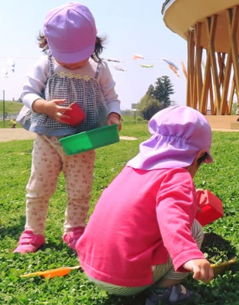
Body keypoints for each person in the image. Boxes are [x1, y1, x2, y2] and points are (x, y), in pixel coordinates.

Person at [76, 106, 214, 304]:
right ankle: (164, 292)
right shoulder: (178, 175)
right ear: (199, 155)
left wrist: (189, 203)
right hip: (125, 281)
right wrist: (188, 254)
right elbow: (171, 217)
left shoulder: (133, 167)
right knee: (195, 230)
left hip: (92, 266)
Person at [13, 2, 122, 254]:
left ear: (94, 44)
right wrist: (44, 106)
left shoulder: (99, 68)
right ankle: (33, 232)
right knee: (39, 186)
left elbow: (111, 96)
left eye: (78, 56)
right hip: (47, 139)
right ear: (49, 45)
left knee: (80, 189)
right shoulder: (46, 64)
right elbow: (27, 93)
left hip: (83, 140)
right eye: (66, 57)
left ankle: (75, 230)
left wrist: (114, 115)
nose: (73, 63)